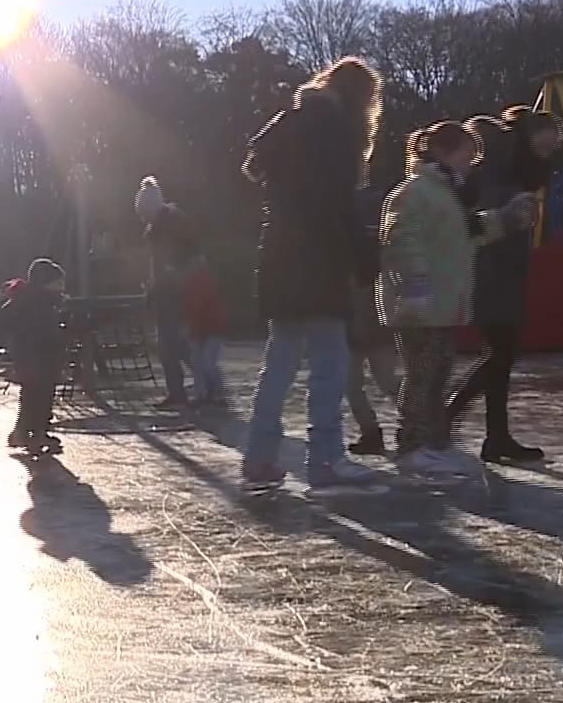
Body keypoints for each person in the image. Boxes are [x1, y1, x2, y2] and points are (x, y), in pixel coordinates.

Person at [239, 59, 381, 489]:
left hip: (280, 256)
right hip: (320, 259)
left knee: (279, 362)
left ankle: (259, 457)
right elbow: (339, 205)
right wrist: (364, 257)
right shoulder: (336, 134)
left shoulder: (289, 122)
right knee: (329, 364)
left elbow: (253, 164)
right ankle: (326, 457)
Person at [378, 121, 535, 476]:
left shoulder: (446, 192)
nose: (472, 160)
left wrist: (506, 220)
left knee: (437, 373)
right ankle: (411, 445)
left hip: (442, 300)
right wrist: (415, 285)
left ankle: (431, 443)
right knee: (423, 374)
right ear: (442, 151)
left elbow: (462, 233)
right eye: (467, 152)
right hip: (421, 302)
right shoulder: (417, 190)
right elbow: (400, 238)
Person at [447, 106, 563, 463]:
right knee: (499, 355)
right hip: (492, 269)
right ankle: (447, 418)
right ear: (529, 139)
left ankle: (496, 436)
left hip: (504, 269)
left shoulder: (510, 168)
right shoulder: (498, 168)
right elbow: (488, 218)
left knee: (500, 356)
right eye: (545, 146)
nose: (548, 154)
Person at [345, 173, 397, 455]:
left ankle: (372, 432)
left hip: (359, 327)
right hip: (375, 324)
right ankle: (419, 425)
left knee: (354, 385)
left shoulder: (350, 260)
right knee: (385, 380)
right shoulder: (380, 255)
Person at [135, 176, 196, 409]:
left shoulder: (164, 227)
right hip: (166, 292)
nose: (141, 217)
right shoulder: (160, 226)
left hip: (172, 292)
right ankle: (185, 389)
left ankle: (196, 386)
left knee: (172, 344)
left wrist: (161, 285)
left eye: (143, 212)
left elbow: (169, 262)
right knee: (170, 345)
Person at [4, 257, 68, 454]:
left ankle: (27, 430)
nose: (62, 287)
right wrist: (63, 333)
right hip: (38, 356)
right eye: (58, 283)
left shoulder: (34, 300)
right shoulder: (39, 304)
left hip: (30, 356)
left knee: (33, 394)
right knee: (40, 394)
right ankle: (34, 431)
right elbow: (44, 332)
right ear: (46, 284)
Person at [183, 254, 230, 407]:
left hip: (206, 327)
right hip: (210, 326)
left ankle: (207, 393)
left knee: (203, 362)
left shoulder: (196, 282)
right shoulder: (206, 281)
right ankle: (213, 393)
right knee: (205, 362)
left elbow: (196, 306)